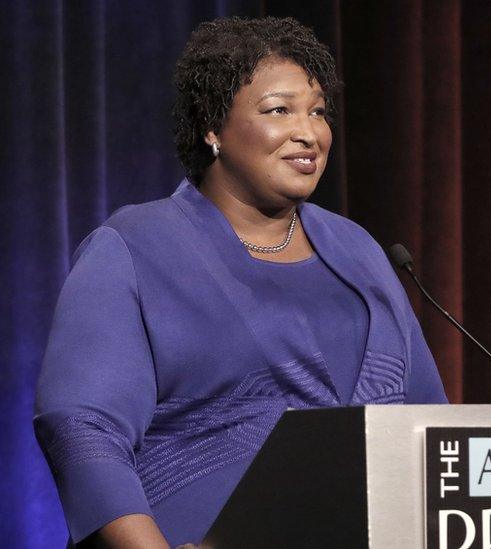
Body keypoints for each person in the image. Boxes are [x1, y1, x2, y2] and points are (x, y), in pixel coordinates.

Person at [34, 16, 447, 547]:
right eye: (279, 110)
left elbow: (428, 427)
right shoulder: (137, 248)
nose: (310, 132)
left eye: (318, 112)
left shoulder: (359, 250)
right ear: (213, 128)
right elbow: (81, 426)